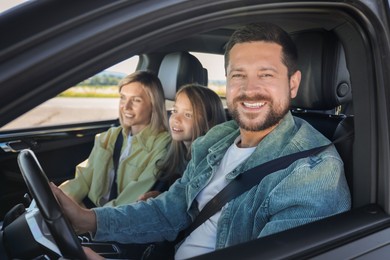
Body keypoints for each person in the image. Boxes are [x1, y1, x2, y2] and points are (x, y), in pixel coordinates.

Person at [51, 22, 351, 259]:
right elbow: (169, 210)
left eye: (266, 75)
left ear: (293, 83)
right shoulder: (218, 138)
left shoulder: (312, 172)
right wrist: (88, 219)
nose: (250, 90)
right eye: (238, 76)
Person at [59, 70, 170, 207]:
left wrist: (88, 218)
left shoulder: (162, 145)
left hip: (108, 220)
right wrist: (57, 197)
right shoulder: (110, 136)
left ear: (154, 105)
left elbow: (130, 201)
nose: (126, 107)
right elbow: (84, 178)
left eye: (136, 100)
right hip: (89, 210)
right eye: (123, 98)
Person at [138, 84, 226, 201]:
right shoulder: (174, 152)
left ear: (207, 123)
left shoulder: (210, 164)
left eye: (188, 115)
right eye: (175, 110)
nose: (176, 119)